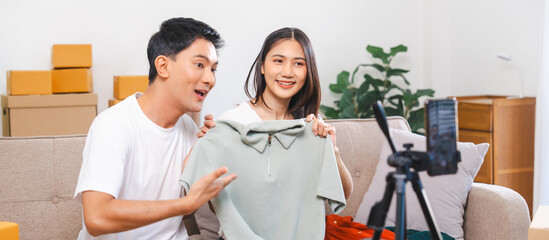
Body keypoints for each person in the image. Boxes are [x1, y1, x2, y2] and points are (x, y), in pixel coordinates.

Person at [73, 17, 237, 240]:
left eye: (213, 69)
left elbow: (186, 208)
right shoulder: (113, 125)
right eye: (200, 65)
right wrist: (184, 203)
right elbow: (97, 218)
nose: (210, 79)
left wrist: (201, 156)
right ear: (163, 66)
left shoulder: (189, 127)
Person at [192, 27, 353, 239]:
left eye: (299, 63)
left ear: (308, 71)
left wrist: (332, 150)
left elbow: (343, 193)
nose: (287, 72)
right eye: (278, 60)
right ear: (261, 66)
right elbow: (217, 208)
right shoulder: (233, 122)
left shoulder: (311, 123)